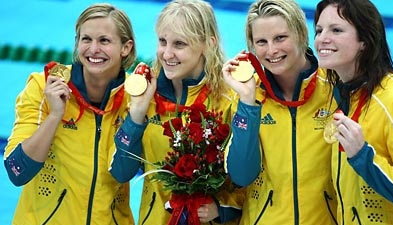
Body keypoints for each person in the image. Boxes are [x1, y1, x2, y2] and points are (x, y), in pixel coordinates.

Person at [112, 0, 244, 224]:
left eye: (179, 44)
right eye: (163, 41)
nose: (167, 54)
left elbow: (251, 178)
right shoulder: (144, 92)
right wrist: (137, 115)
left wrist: (222, 208)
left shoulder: (229, 98)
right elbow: (121, 172)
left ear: (208, 44)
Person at [4, 3, 136, 224]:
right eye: (86, 39)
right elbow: (17, 172)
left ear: (126, 48)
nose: (93, 49)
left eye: (104, 40)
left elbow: (124, 172)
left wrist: (137, 117)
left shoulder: (136, 96)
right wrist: (55, 115)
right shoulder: (43, 85)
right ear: (77, 43)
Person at [222, 0, 339, 224]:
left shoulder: (334, 88)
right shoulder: (247, 95)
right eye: (261, 42)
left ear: (300, 34)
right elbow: (241, 175)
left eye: (280, 38)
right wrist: (248, 103)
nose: (272, 50)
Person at [314, 0, 393, 224]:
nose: (322, 38)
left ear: (364, 40)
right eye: (319, 30)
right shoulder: (342, 97)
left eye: (336, 30)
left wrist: (364, 156)